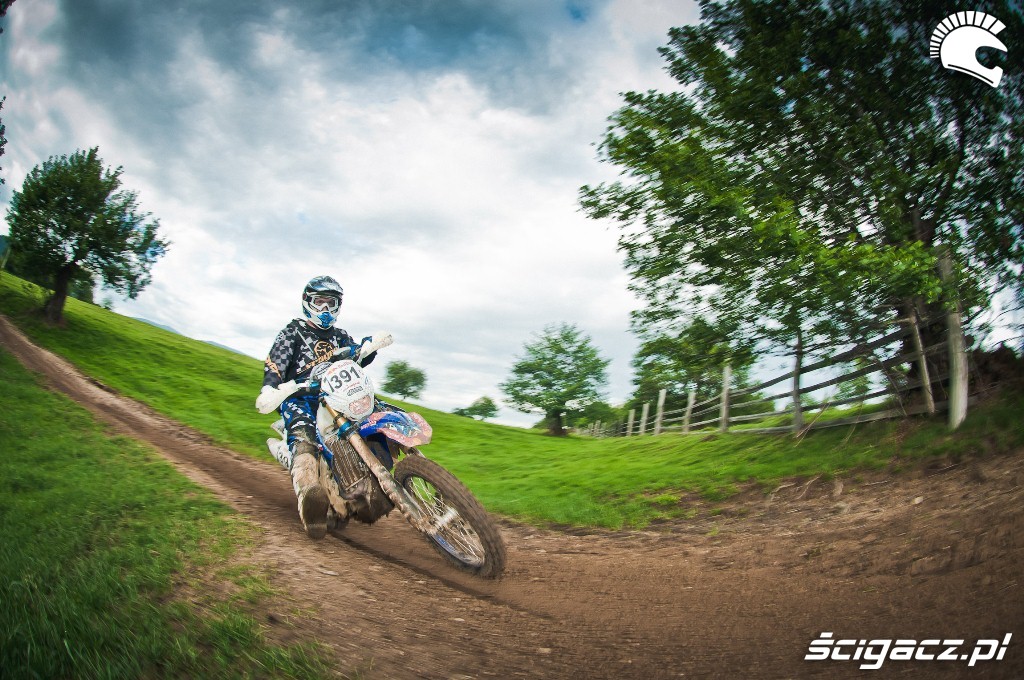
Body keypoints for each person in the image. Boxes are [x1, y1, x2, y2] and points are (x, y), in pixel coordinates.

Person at [255, 275, 376, 539]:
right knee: (304, 436)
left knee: (372, 413)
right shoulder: (293, 331)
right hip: (300, 397)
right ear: (307, 302)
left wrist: (369, 347)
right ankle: (309, 495)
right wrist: (269, 387)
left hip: (336, 396)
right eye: (320, 302)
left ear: (338, 306)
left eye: (331, 303)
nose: (325, 309)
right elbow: (276, 361)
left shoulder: (340, 335)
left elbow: (355, 355)